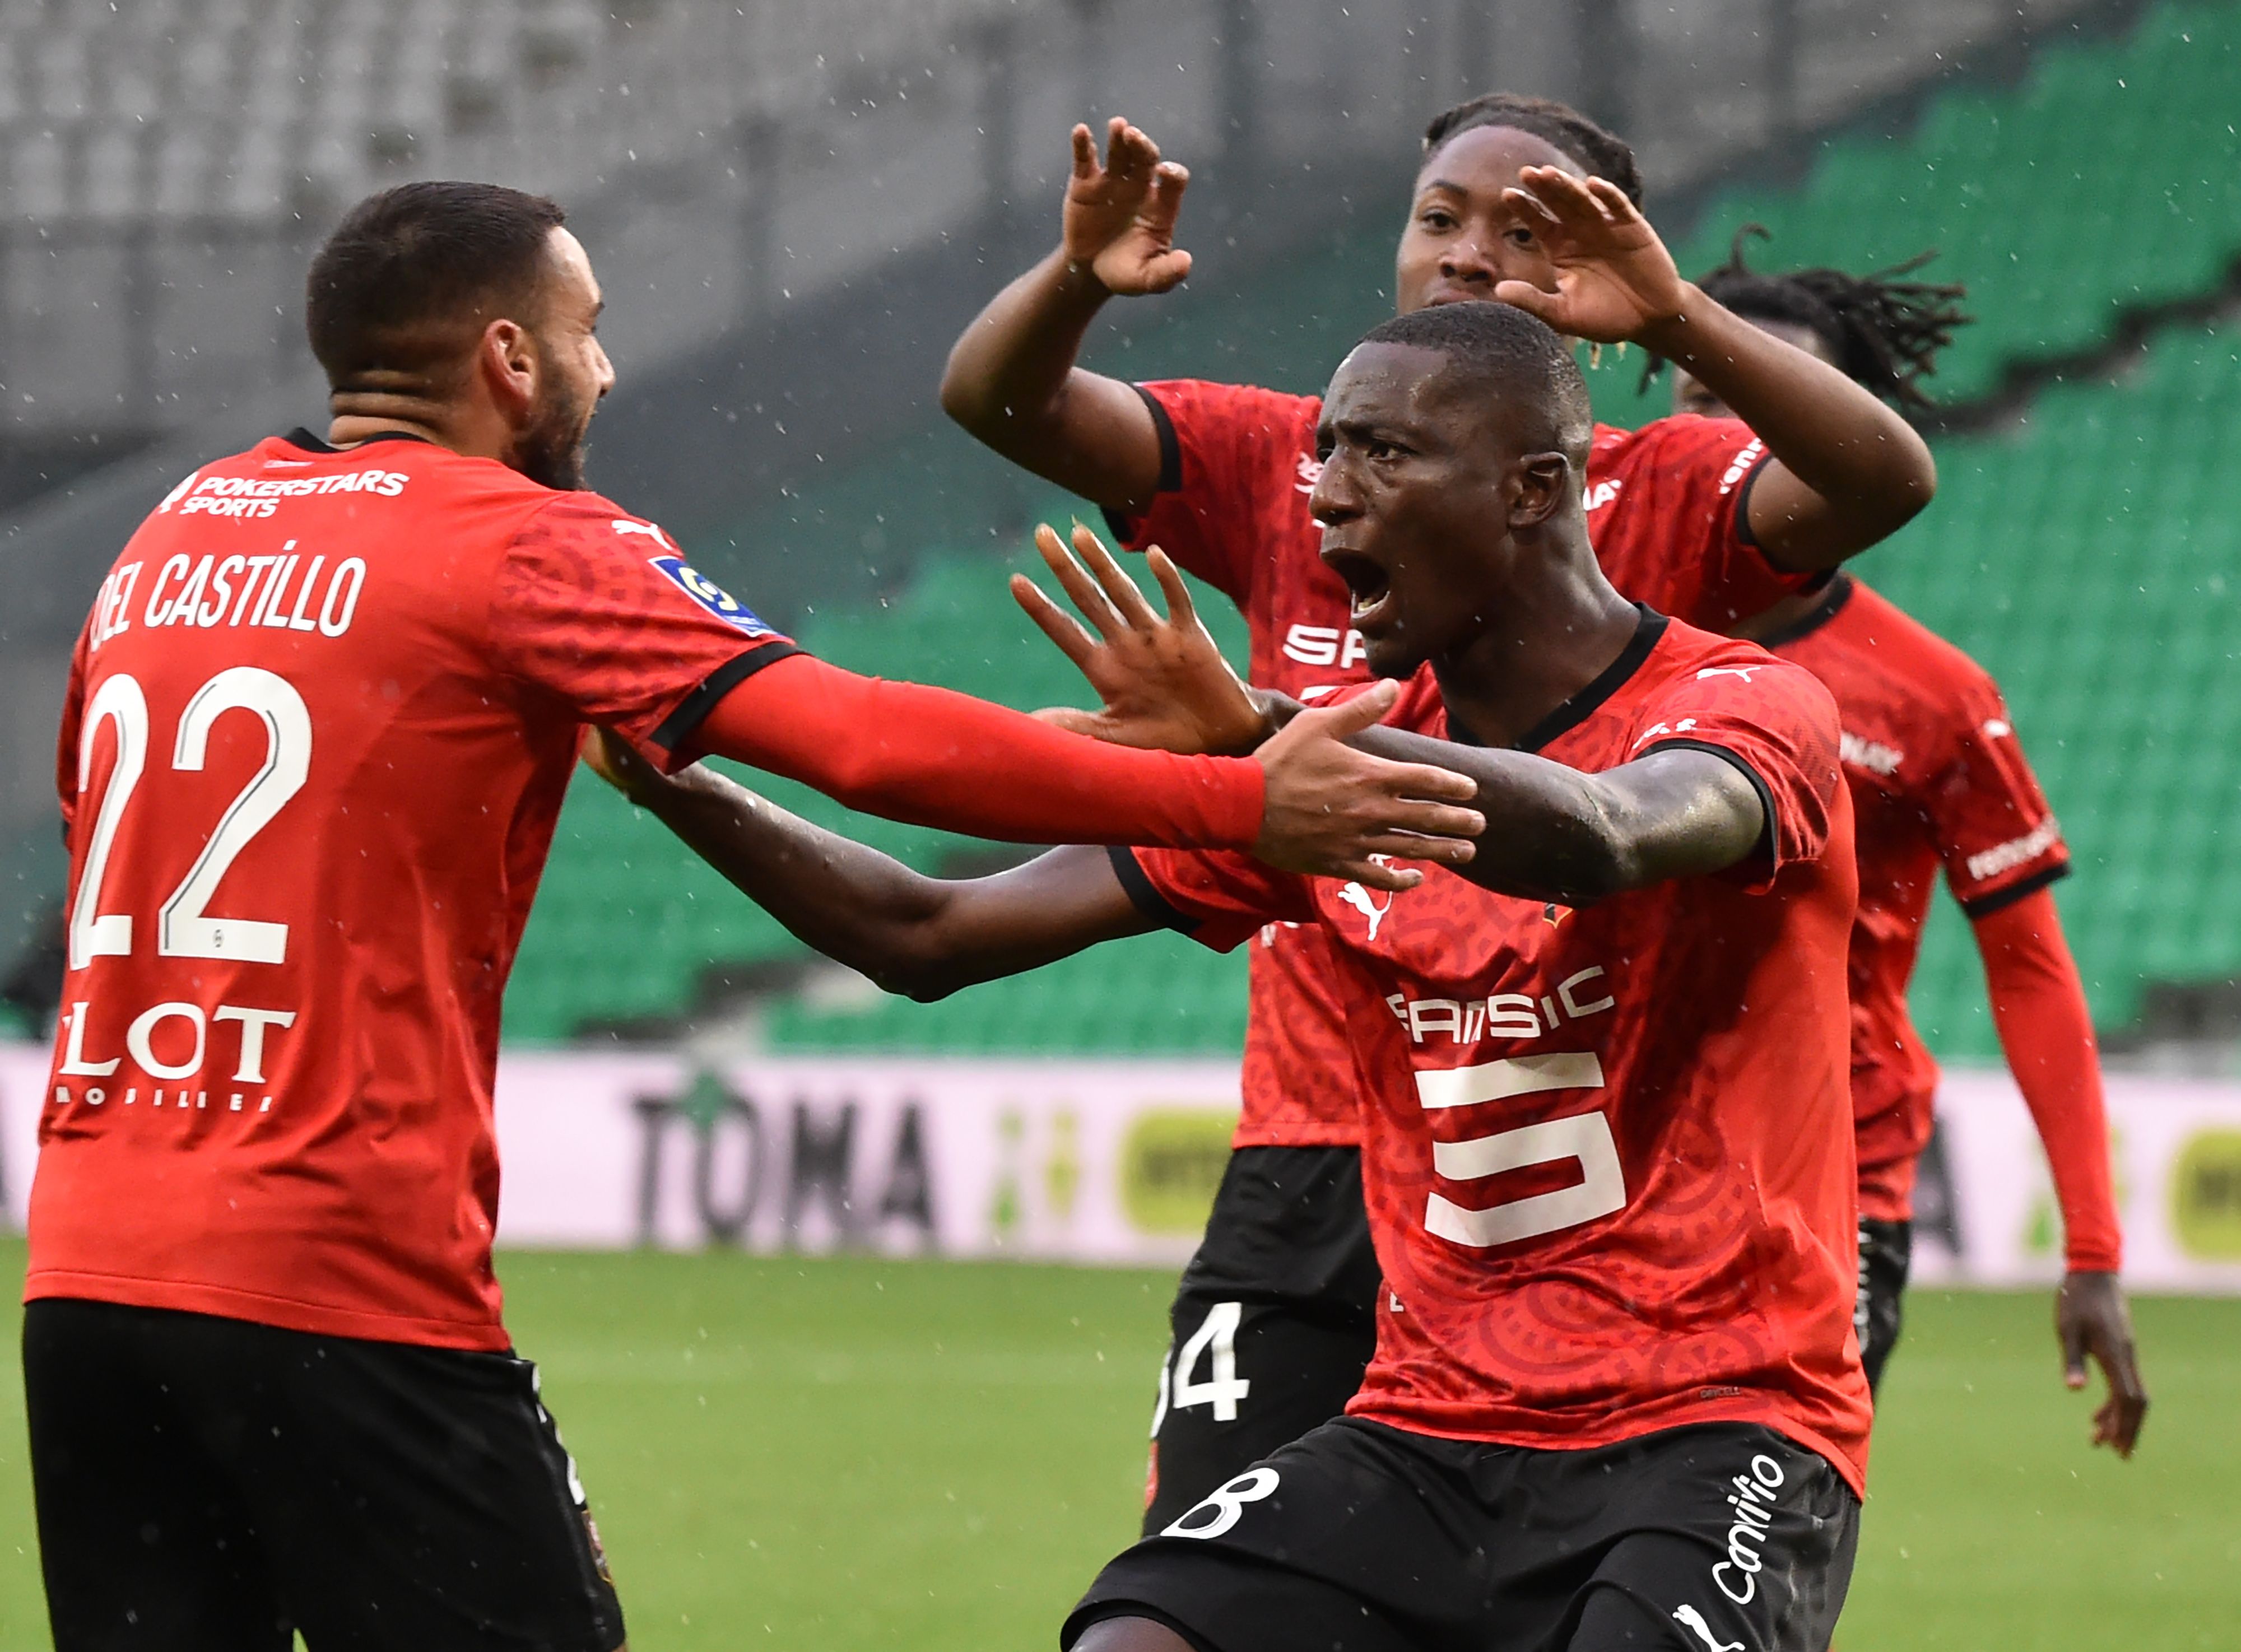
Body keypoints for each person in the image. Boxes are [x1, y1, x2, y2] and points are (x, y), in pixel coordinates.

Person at [25, 180, 1483, 1652]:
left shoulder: (172, 534)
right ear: (508, 360)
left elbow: (98, 857)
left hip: (85, 1274)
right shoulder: (522, 541)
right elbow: (859, 741)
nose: (605, 369)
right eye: (587, 331)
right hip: (332, 1271)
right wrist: (1236, 798)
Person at [597, 300, 1870, 1652]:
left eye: (1381, 452)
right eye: (1323, 452)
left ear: (1531, 488)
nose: (1326, 492)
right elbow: (926, 932)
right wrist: (670, 772)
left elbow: (1605, 834)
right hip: (1428, 1432)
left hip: (1715, 1426)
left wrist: (1261, 733)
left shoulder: (1742, 704)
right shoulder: (1322, 778)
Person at [941, 91, 1937, 1529]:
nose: (1468, 253)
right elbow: (998, 402)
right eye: (1438, 218)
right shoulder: (1289, 464)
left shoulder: (1644, 485)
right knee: (1216, 1573)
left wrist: (1676, 319)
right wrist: (1070, 280)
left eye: (1522, 230)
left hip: (1564, 1152)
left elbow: (1878, 479)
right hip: (1311, 1145)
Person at [1663, 231, 2148, 1450]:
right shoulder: (1562, 639)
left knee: (1753, 1520)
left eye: (1775, 400)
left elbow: (2028, 968)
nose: (1729, 431)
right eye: (1699, 395)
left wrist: (2091, 1246)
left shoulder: (1933, 695)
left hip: (1830, 1176)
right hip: (1603, 1146)